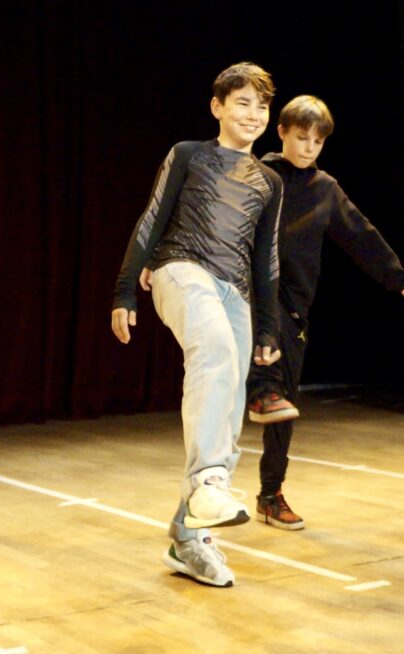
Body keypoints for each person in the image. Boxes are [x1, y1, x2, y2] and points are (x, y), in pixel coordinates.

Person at [111, 62, 286, 588]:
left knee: (230, 391)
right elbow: (152, 217)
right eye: (242, 103)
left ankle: (191, 537)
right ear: (217, 107)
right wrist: (125, 289)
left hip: (235, 289)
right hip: (178, 268)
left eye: (261, 105)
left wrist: (269, 328)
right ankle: (210, 482)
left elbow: (266, 259)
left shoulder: (270, 181)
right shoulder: (189, 154)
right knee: (211, 346)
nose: (252, 114)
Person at [245, 95, 404, 529]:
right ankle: (258, 394)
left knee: (284, 410)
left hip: (294, 310)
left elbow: (361, 235)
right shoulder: (257, 174)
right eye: (301, 137)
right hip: (248, 296)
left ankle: (270, 495)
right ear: (283, 133)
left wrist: (399, 279)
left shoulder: (325, 189)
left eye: (317, 141)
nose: (308, 147)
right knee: (262, 376)